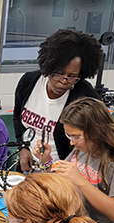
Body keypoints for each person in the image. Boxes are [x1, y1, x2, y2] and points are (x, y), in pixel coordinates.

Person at [34, 97, 114, 223]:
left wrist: (80, 181)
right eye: (69, 136)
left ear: (96, 132)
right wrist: (46, 162)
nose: (71, 142)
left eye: (76, 137)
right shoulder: (84, 149)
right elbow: (59, 179)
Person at [13, 29, 103, 172]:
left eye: (72, 76)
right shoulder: (29, 82)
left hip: (62, 172)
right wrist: (23, 147)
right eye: (58, 74)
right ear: (48, 67)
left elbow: (94, 138)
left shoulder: (84, 95)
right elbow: (17, 118)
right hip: (29, 165)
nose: (63, 81)